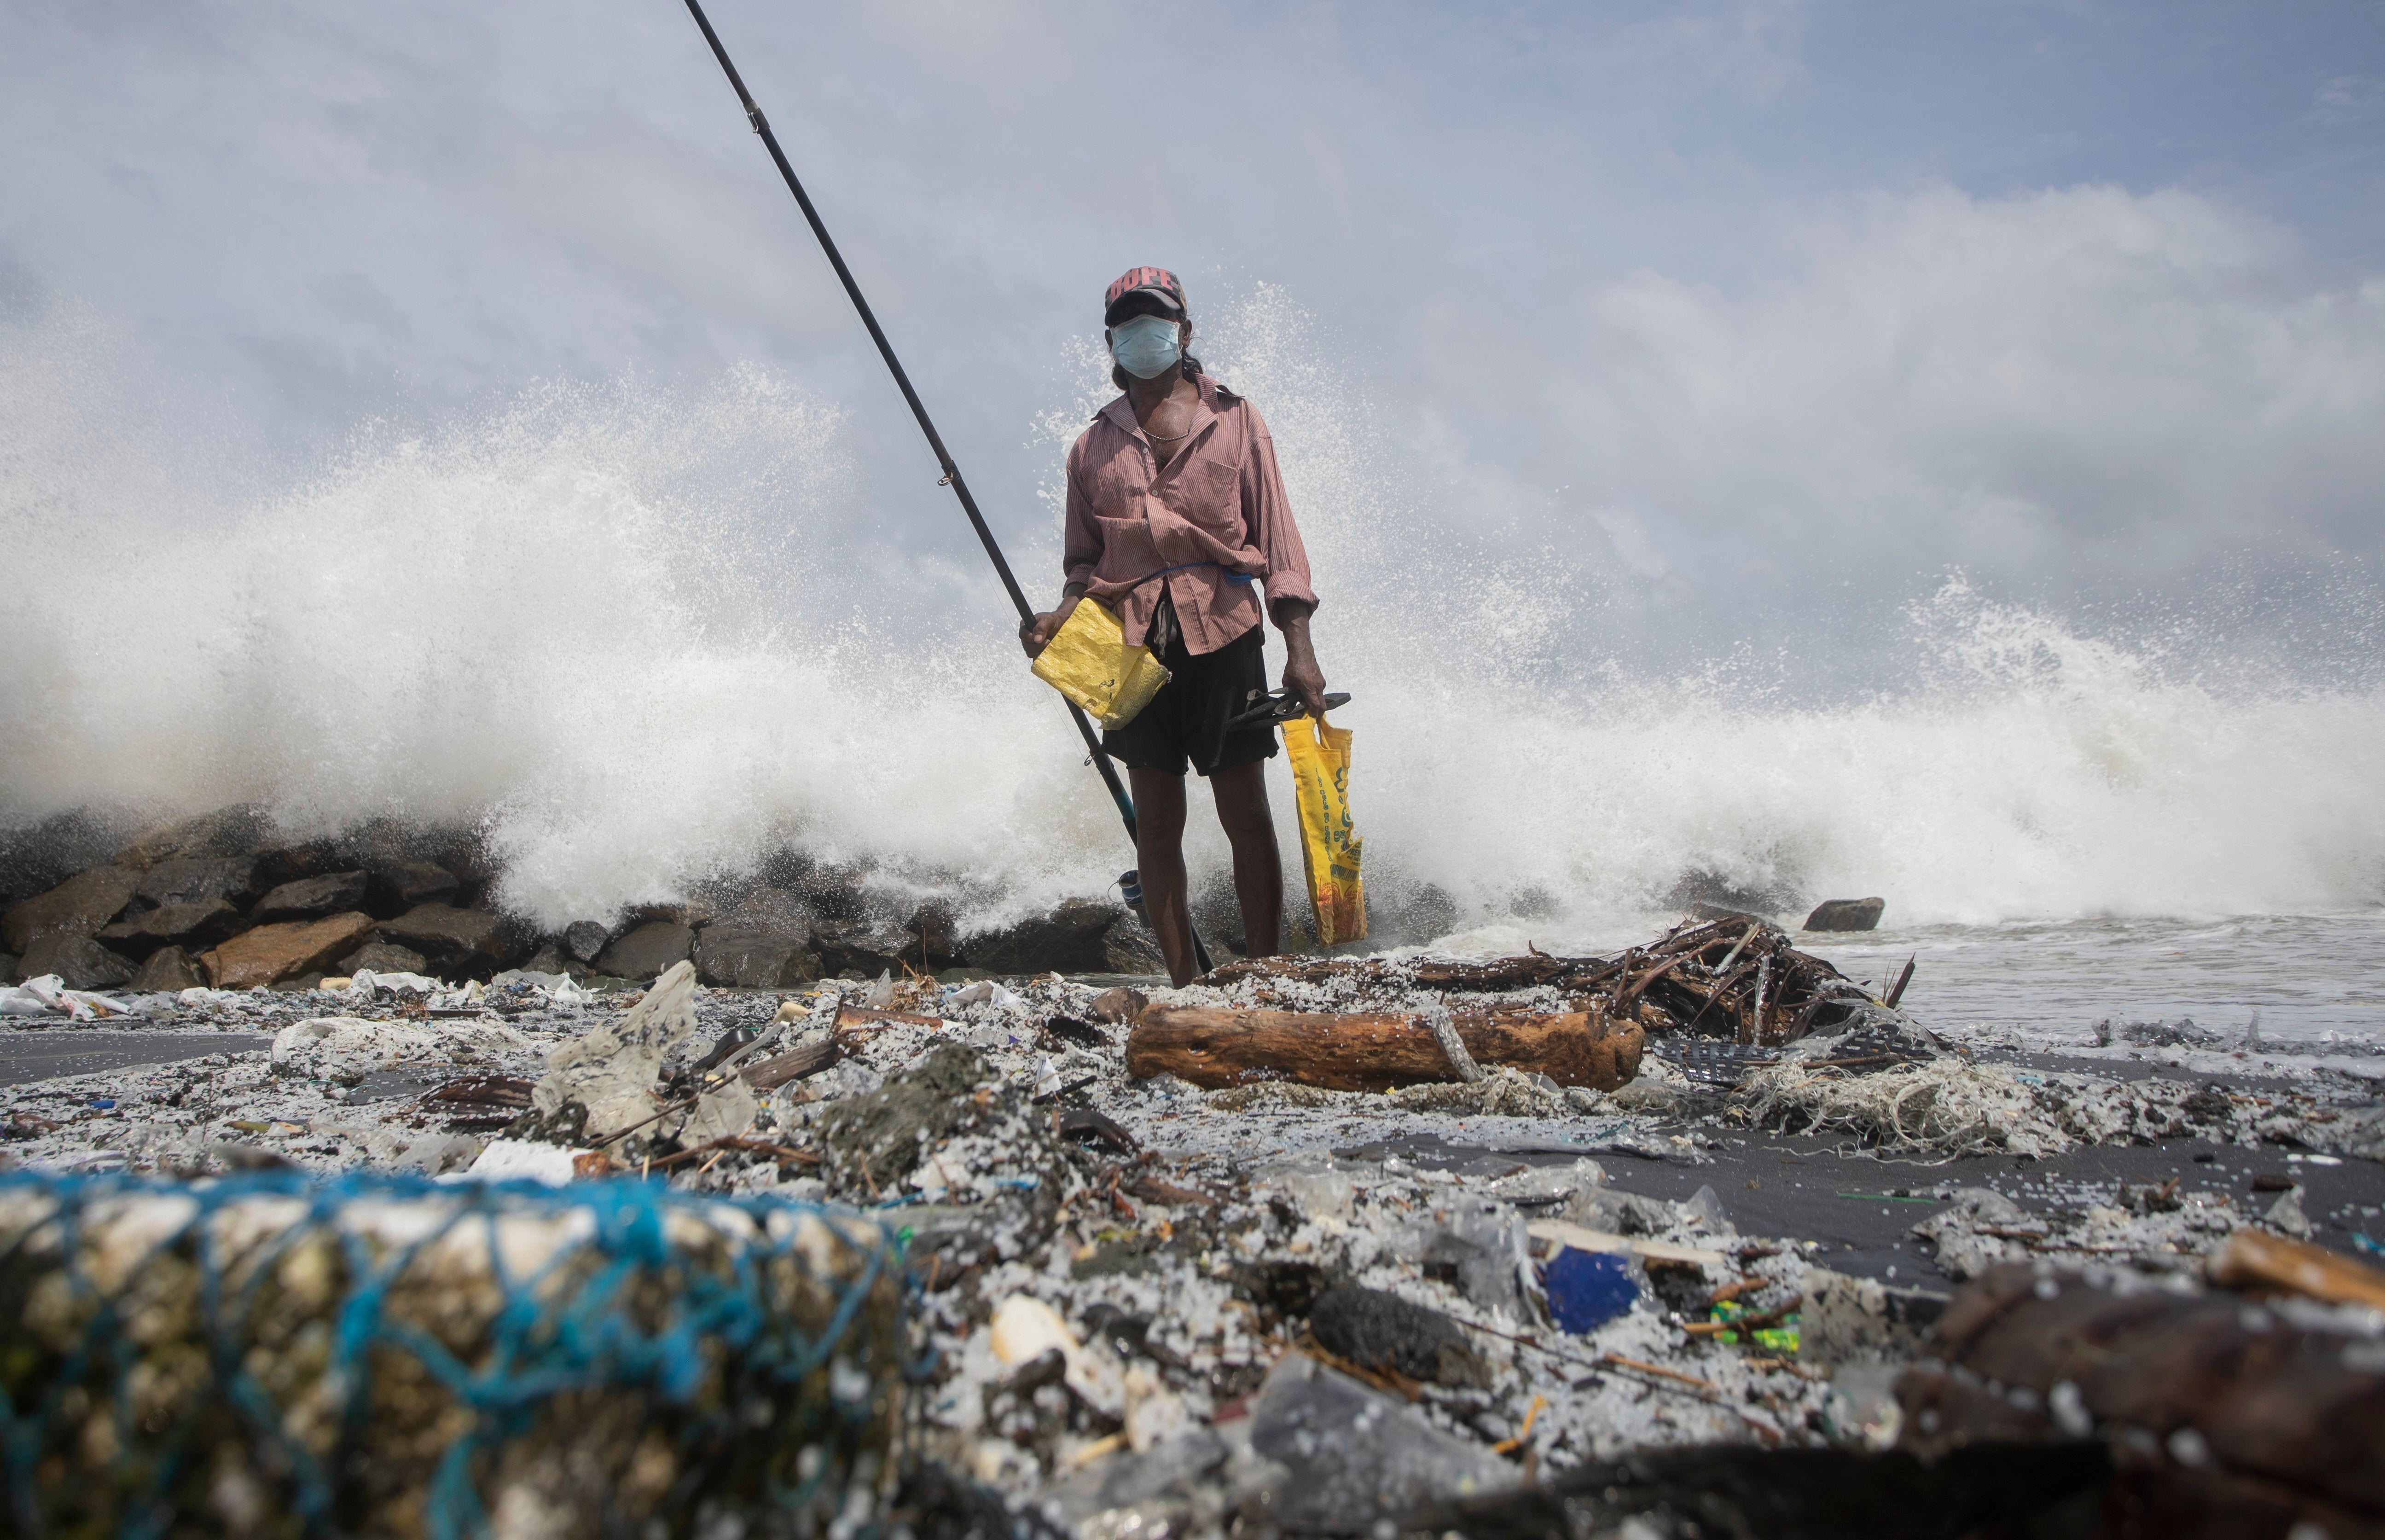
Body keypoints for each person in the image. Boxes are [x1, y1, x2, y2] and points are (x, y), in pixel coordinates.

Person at [1020, 266, 1329, 986]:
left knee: (1245, 810)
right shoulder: (1090, 447)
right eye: (1127, 323)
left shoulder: (1238, 419)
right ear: (1111, 340)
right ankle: (1185, 986)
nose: (1142, 333)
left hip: (1225, 632)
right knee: (1155, 821)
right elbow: (1082, 564)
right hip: (1130, 645)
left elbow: (1279, 541)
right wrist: (1060, 616)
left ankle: (1264, 974)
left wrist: (1300, 650)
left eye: (1154, 320)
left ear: (1184, 332)